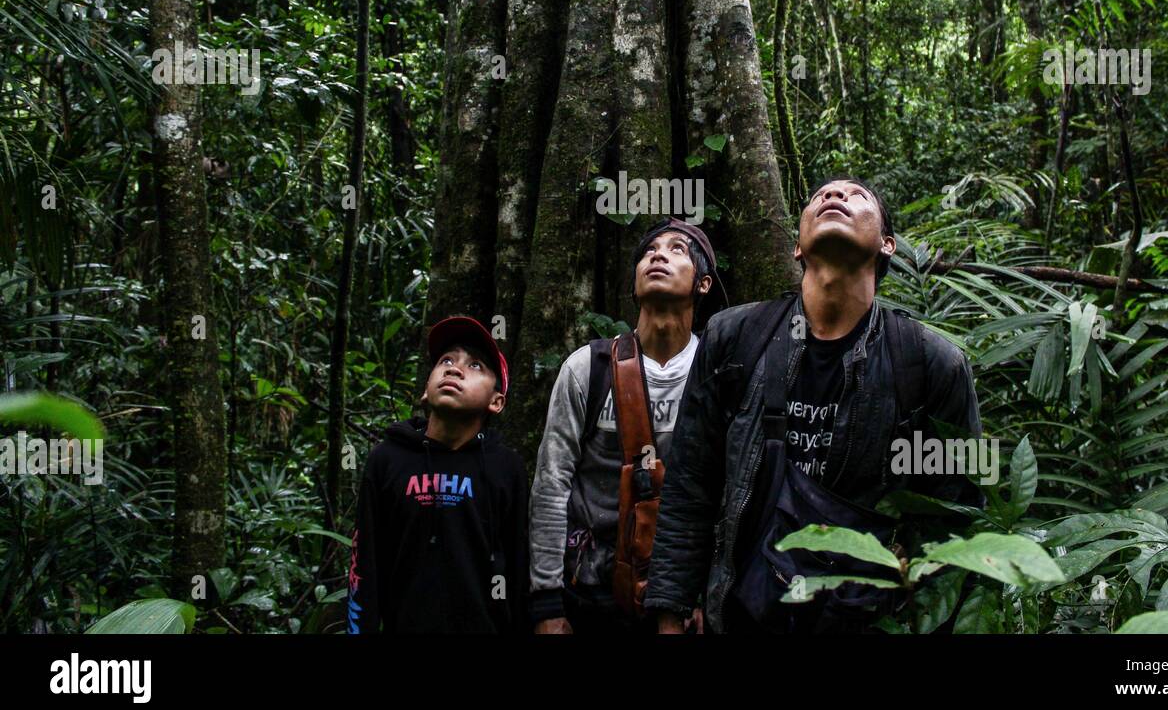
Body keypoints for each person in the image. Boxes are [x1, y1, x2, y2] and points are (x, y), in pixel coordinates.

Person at [646, 177, 985, 634]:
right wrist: (671, 610)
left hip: (862, 620)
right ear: (797, 250)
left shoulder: (930, 364)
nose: (833, 196)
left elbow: (956, 514)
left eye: (856, 195)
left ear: (887, 245)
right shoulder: (733, 339)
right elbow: (691, 484)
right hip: (741, 614)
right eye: (820, 195)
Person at [529, 218, 723, 633]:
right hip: (590, 591)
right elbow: (551, 484)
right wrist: (547, 602)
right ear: (634, 286)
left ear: (703, 284)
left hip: (681, 595)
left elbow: (727, 490)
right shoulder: (588, 368)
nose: (658, 255)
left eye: (677, 250)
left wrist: (708, 594)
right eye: (649, 251)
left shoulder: (718, 372)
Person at [347, 316, 530, 633]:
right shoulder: (387, 460)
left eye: (475, 366)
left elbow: (518, 568)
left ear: (496, 402)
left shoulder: (506, 467)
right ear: (424, 391)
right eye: (446, 360)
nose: (454, 369)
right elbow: (363, 567)